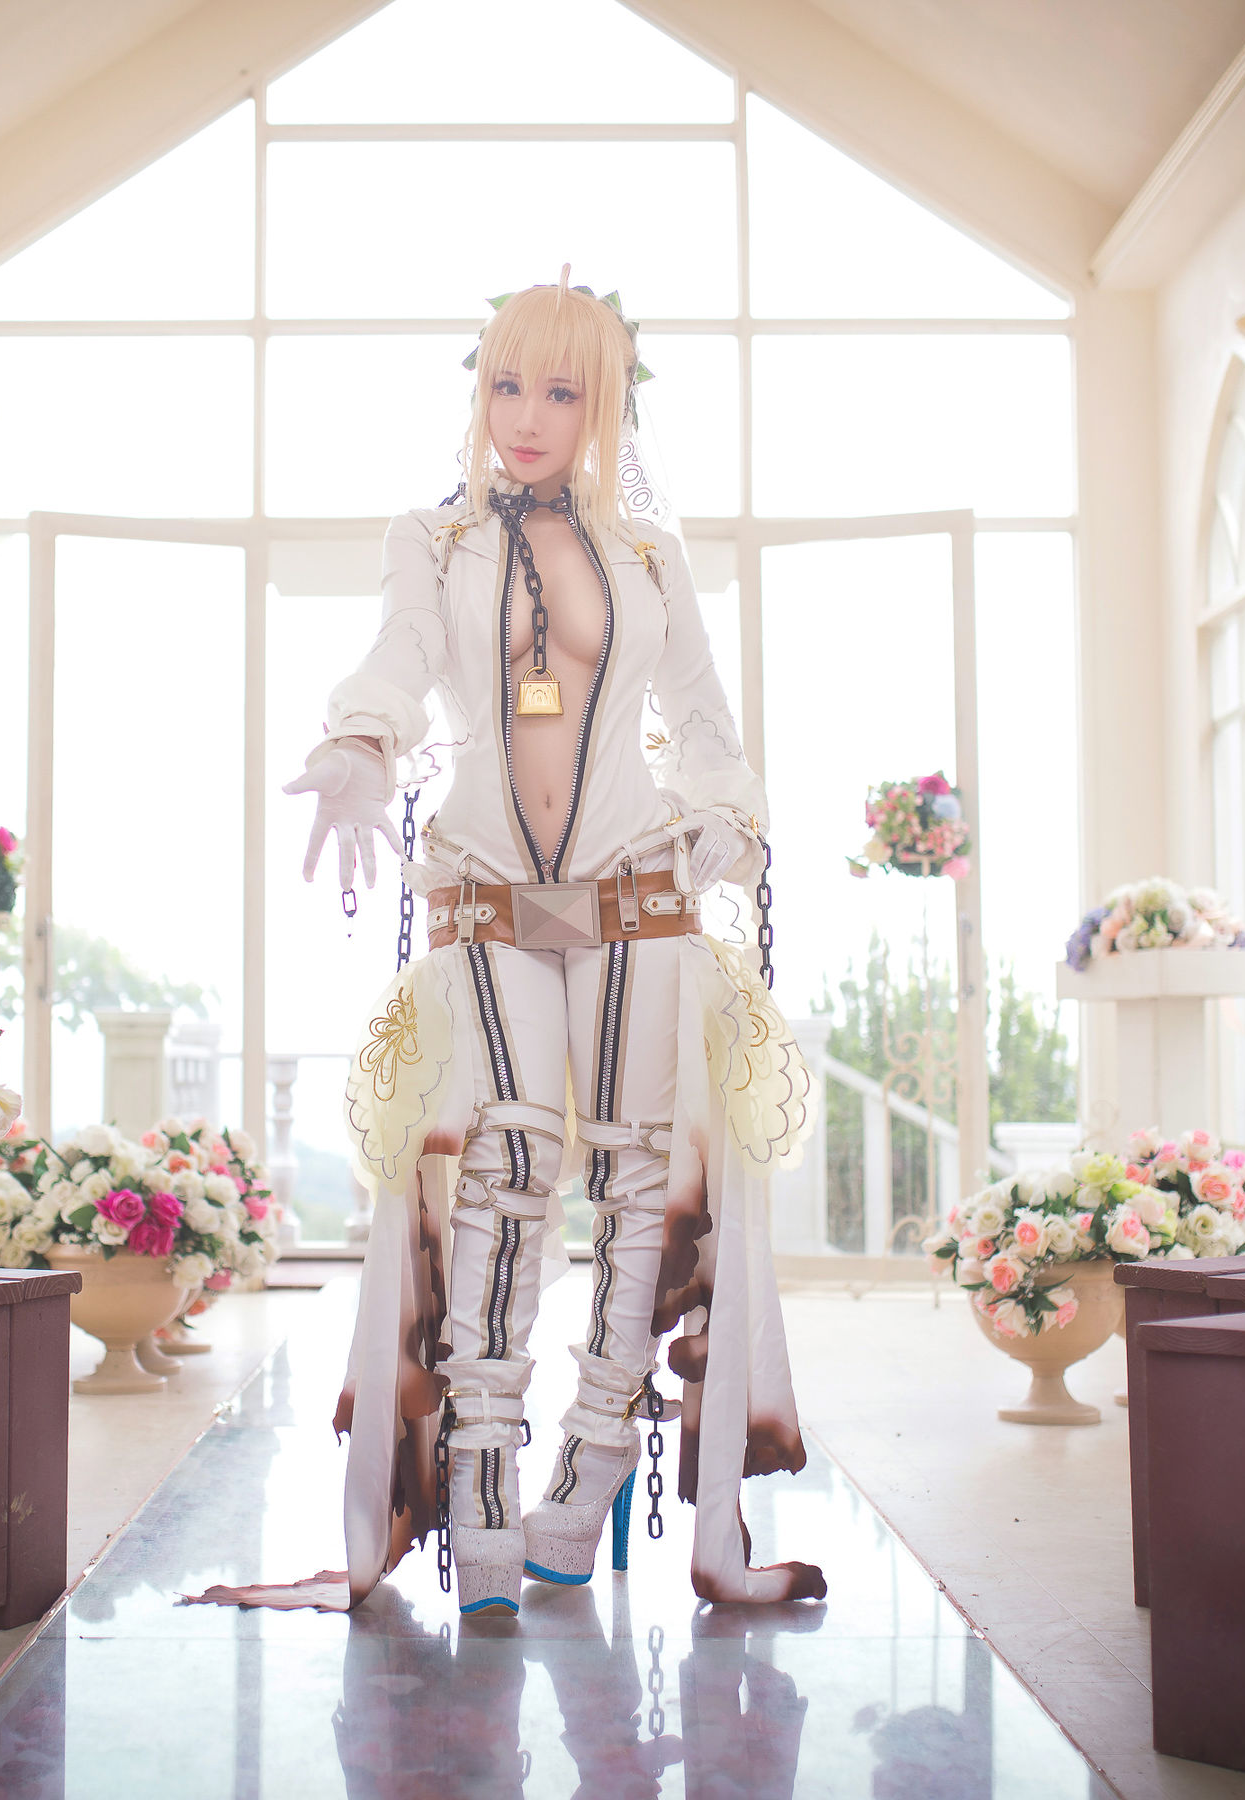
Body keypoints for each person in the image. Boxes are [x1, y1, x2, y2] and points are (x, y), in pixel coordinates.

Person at [237, 273, 822, 1621]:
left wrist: (726, 822)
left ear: (605, 405)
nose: (528, 416)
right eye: (507, 384)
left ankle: (598, 1452)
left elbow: (708, 726)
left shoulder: (652, 558)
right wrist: (356, 748)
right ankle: (483, 1477)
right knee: (505, 1168)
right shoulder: (433, 542)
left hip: (639, 894)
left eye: (561, 391)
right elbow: (397, 659)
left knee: (636, 1179)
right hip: (489, 893)